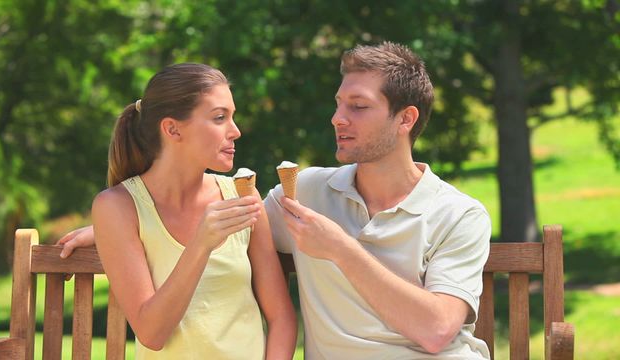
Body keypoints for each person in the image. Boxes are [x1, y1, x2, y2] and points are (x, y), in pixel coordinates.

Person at [59, 42, 490, 359]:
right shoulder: (306, 194)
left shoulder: (460, 215)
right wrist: (112, 229)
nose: (337, 118)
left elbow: (437, 331)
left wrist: (339, 247)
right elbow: (200, 224)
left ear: (406, 119)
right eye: (339, 104)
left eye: (358, 107)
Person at [67, 63, 296, 359]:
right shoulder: (118, 207)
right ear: (172, 129)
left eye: (232, 117)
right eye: (219, 118)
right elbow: (151, 333)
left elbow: (281, 318)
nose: (235, 131)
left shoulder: (241, 196)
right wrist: (202, 243)